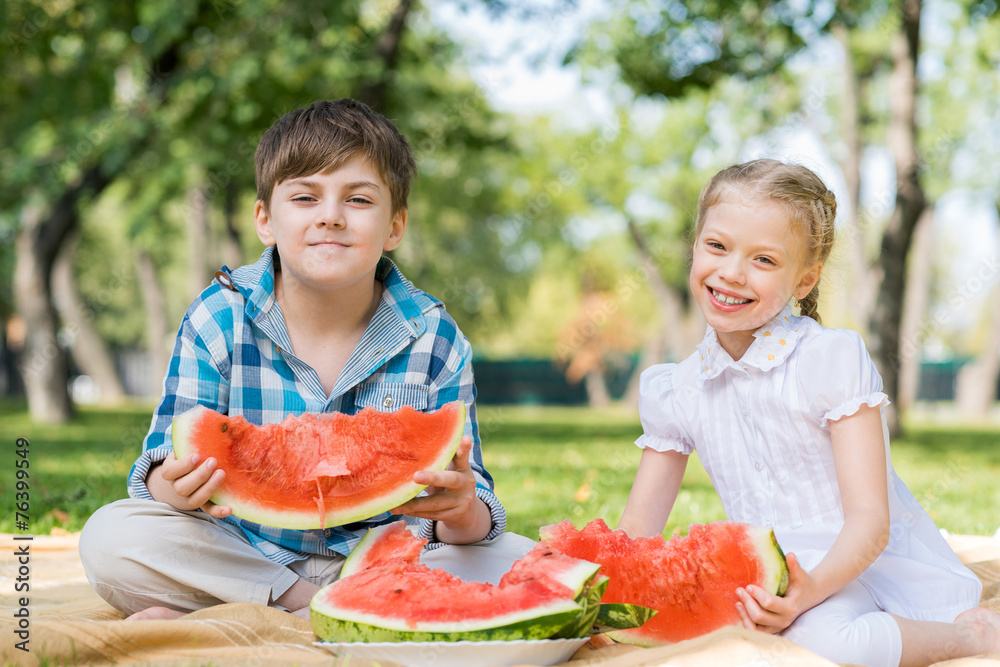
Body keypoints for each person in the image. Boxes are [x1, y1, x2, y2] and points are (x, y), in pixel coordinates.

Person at [80, 99, 527, 620]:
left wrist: (462, 510)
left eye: (358, 200)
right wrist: (172, 486)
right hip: (246, 552)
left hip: (392, 558)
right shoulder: (218, 317)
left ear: (395, 227)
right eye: (305, 197)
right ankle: (316, 607)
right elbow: (159, 462)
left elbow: (471, 499)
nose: (331, 216)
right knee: (110, 537)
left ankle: (264, 610)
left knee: (517, 558)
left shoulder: (434, 336)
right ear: (265, 220)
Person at [619, 158, 1000, 667]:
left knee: (829, 643)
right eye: (717, 246)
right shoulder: (676, 389)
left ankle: (973, 639)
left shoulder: (829, 360)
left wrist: (810, 589)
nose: (731, 272)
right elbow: (637, 530)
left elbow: (870, 520)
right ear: (695, 247)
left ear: (804, 280)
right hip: (771, 578)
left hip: (863, 562)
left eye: (764, 260)